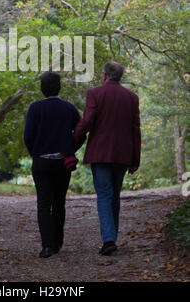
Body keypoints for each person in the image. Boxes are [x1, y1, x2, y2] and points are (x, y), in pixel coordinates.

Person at [74, 61, 141, 256]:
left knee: (104, 195)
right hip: (123, 154)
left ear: (104, 75)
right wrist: (135, 158)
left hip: (100, 153)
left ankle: (109, 239)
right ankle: (111, 237)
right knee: (114, 195)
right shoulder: (131, 97)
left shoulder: (95, 94)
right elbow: (135, 130)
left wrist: (73, 141)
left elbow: (86, 121)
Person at [24, 71, 80, 258]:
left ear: (41, 89)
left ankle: (47, 246)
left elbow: (28, 136)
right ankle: (57, 243)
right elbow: (80, 133)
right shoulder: (69, 108)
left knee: (43, 204)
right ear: (60, 87)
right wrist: (70, 149)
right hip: (63, 162)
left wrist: (36, 153)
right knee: (59, 203)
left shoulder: (35, 108)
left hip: (41, 162)